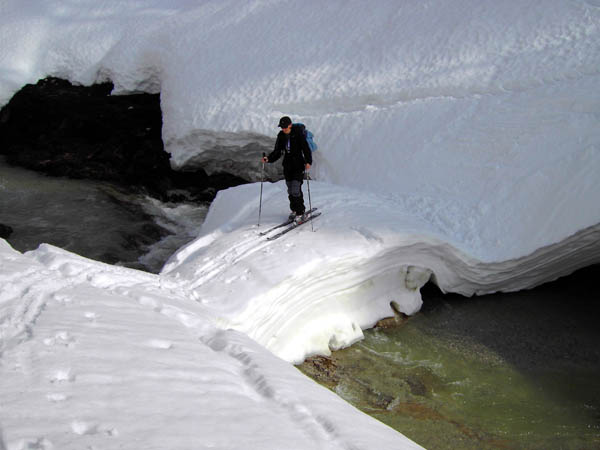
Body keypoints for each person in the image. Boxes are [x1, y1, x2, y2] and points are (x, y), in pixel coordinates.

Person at [262, 116, 312, 222]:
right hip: (288, 165)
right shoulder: (281, 136)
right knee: (290, 189)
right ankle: (294, 210)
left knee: (295, 189)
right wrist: (269, 159)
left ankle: (300, 212)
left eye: (285, 127)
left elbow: (305, 148)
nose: (283, 129)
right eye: (282, 127)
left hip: (298, 164)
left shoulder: (298, 134)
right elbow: (278, 151)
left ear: (290, 125)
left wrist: (308, 161)